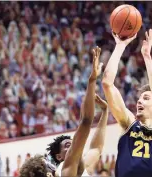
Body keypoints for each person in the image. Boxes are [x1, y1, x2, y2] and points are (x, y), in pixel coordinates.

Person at [102, 29, 152, 177]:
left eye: (146, 98)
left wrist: (147, 56)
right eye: (139, 98)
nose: (139, 101)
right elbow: (107, 83)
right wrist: (119, 46)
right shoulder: (129, 125)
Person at [46, 46, 108, 177]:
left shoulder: (81, 165)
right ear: (59, 156)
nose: (75, 146)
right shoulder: (65, 169)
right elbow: (85, 122)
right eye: (68, 146)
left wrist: (105, 111)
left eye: (72, 143)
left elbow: (96, 148)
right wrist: (92, 80)